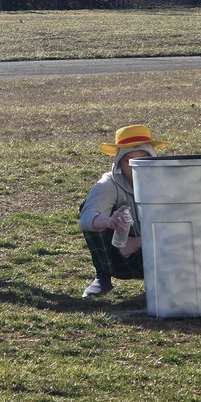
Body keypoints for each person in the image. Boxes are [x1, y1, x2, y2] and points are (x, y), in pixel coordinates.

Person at [79, 123, 168, 299]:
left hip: (165, 252)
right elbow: (87, 218)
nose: (136, 166)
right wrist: (109, 221)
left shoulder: (170, 181)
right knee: (88, 209)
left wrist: (138, 242)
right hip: (121, 254)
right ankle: (103, 275)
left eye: (143, 159)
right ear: (119, 162)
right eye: (129, 161)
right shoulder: (109, 183)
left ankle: (169, 280)